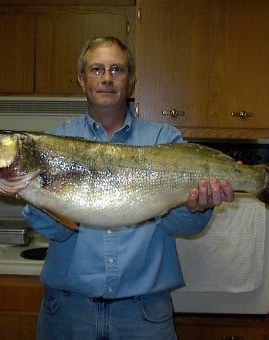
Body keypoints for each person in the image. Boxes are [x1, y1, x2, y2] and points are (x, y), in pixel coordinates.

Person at [23, 36, 235, 340]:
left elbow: (182, 226)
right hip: (68, 313)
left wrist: (196, 206)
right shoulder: (54, 143)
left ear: (131, 80)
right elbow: (58, 231)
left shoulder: (164, 139)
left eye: (117, 70)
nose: (106, 78)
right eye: (96, 69)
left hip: (144, 316)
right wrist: (32, 190)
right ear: (82, 80)